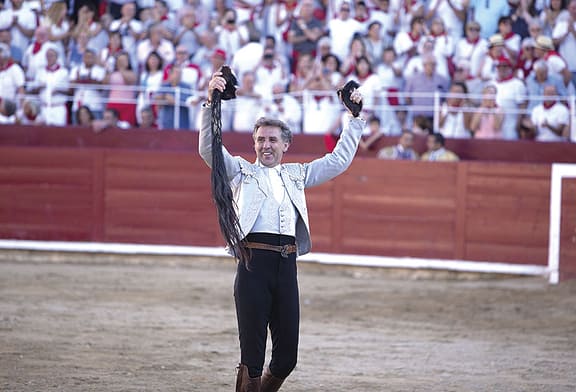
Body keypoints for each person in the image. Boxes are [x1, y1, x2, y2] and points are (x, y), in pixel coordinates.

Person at [199, 70, 365, 392]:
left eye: (273, 139)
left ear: (286, 144)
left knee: (287, 357)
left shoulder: (297, 175)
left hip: (287, 267)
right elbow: (209, 150)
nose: (266, 145)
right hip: (252, 267)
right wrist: (210, 103)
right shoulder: (241, 171)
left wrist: (355, 119)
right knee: (252, 358)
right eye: (260, 139)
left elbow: (338, 161)